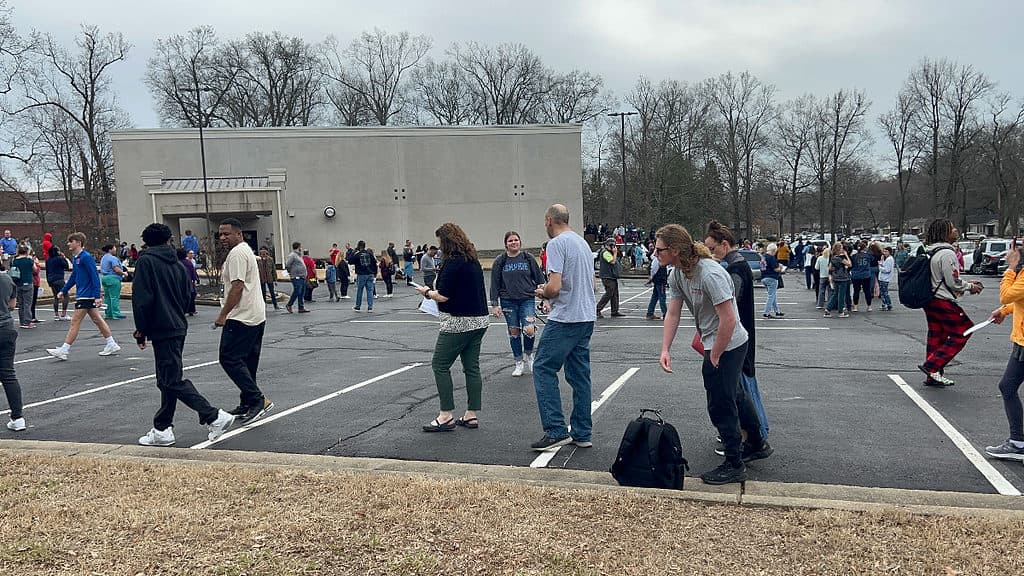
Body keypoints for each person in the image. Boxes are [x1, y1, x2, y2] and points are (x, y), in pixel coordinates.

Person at [657, 224, 768, 485]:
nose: (655, 253)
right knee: (737, 394)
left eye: (659, 249)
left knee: (720, 402)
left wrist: (715, 354)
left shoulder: (710, 274)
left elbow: (728, 320)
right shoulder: (677, 274)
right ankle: (756, 442)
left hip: (729, 342)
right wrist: (665, 349)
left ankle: (734, 463)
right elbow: (673, 313)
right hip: (714, 341)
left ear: (674, 250)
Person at [132, 223, 235, 446]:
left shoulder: (146, 262)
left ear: (147, 241)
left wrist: (141, 330)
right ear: (169, 239)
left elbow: (142, 299)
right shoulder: (179, 264)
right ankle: (162, 428)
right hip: (178, 324)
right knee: (167, 379)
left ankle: (213, 415)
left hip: (161, 327)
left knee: (172, 380)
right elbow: (189, 295)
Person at [530, 204, 597, 451]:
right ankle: (582, 431)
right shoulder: (582, 243)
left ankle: (555, 429)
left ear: (549, 220)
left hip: (566, 317)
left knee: (543, 367)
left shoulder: (556, 244)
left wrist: (543, 291)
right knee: (579, 375)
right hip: (586, 315)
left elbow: (555, 286)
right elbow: (591, 282)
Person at [416, 223, 489, 433]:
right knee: (472, 367)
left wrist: (426, 292)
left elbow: (443, 295)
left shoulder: (451, 263)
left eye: (440, 242)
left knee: (439, 365)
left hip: (457, 322)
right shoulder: (472, 260)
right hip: (480, 321)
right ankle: (471, 414)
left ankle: (446, 415)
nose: (438, 247)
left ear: (445, 242)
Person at [706, 220, 770, 445]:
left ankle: (756, 434)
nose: (711, 254)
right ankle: (753, 433)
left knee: (744, 389)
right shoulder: (738, 265)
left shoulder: (735, 268)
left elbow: (730, 301)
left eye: (712, 249)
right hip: (742, 333)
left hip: (738, 337)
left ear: (724, 244)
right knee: (743, 387)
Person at [215, 218, 274, 424]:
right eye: (220, 234)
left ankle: (258, 400)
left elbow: (237, 286)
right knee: (247, 362)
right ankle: (247, 401)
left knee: (228, 358)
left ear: (239, 234)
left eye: (227, 234)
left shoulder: (238, 253)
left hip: (242, 317)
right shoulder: (245, 250)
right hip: (255, 315)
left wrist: (223, 314)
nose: (222, 237)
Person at [918, 218, 983, 387]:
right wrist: (970, 286)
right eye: (952, 228)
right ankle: (932, 366)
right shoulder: (947, 253)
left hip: (930, 299)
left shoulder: (930, 250)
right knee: (964, 331)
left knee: (936, 335)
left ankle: (933, 375)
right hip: (943, 300)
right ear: (944, 233)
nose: (956, 231)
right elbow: (953, 281)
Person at [46, 232, 121, 360]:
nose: (68, 243)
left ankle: (64, 349)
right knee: (97, 319)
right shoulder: (76, 258)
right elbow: (74, 276)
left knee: (75, 321)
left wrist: (97, 295)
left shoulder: (86, 257)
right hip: (83, 293)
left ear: (78, 243)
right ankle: (111, 343)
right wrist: (64, 290)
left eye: (71, 241)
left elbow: (94, 275)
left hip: (86, 294)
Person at [985, 247, 1024, 461]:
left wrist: (1010, 268)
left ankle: (1018, 443)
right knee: (1007, 386)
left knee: (1008, 386)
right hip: (1021, 341)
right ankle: (1017, 442)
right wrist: (1004, 311)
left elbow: (1007, 294)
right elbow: (1017, 299)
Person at [489, 231, 546, 377]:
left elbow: (539, 279)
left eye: (516, 240)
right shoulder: (500, 261)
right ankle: (518, 362)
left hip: (527, 298)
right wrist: (495, 305)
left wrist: (545, 299)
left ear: (520, 242)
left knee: (529, 330)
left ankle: (528, 354)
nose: (513, 243)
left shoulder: (528, 258)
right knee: (514, 332)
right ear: (506, 244)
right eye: (510, 241)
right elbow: (494, 284)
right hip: (508, 300)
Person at [0, 262, 25, 431]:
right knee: (8, 374)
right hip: (6, 328)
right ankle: (17, 417)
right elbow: (12, 304)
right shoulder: (7, 279)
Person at [596, 238, 625, 318]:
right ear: (606, 245)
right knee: (609, 293)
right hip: (607, 276)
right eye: (611, 245)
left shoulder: (609, 252)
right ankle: (597, 309)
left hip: (611, 276)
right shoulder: (605, 252)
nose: (612, 247)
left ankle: (614, 311)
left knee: (615, 294)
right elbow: (612, 261)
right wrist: (615, 253)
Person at [99, 244, 127, 320]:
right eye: (114, 248)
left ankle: (108, 313)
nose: (115, 249)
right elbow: (116, 269)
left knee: (107, 297)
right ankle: (116, 313)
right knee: (114, 296)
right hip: (113, 278)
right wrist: (124, 273)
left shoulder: (103, 258)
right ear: (110, 250)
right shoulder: (113, 258)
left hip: (104, 278)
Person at [348, 240, 377, 312]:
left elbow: (350, 261)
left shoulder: (358, 255)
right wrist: (374, 273)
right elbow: (374, 263)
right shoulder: (369, 254)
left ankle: (358, 306)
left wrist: (353, 252)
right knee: (370, 291)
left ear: (358, 246)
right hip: (370, 274)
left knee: (360, 290)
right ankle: (370, 307)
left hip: (361, 274)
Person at [9, 247, 34, 328]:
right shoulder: (29, 260)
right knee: (27, 303)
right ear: (26, 252)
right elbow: (35, 269)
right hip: (28, 282)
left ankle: (22, 321)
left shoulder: (14, 261)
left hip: (18, 283)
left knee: (21, 303)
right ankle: (27, 321)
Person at [45, 247, 70, 320]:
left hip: (51, 279)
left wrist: (48, 281)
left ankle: (56, 314)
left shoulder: (48, 260)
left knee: (56, 297)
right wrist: (64, 257)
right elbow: (66, 266)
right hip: (59, 278)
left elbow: (47, 271)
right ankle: (63, 313)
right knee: (65, 296)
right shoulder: (59, 258)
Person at [284, 242, 308, 314]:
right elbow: (288, 264)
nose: (301, 248)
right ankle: (289, 304)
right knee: (297, 290)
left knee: (302, 292)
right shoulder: (292, 255)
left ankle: (301, 307)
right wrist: (290, 272)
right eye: (300, 247)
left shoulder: (299, 255)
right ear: (298, 247)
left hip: (302, 276)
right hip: (296, 276)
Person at [849, 242, 874, 313]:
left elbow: (851, 265)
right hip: (866, 275)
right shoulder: (868, 256)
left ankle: (855, 306)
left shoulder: (854, 256)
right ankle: (869, 306)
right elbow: (872, 260)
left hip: (856, 275)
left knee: (856, 291)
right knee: (867, 291)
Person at [760, 243, 783, 319]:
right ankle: (766, 312)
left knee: (772, 295)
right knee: (771, 296)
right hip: (772, 278)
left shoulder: (763, 257)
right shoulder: (771, 258)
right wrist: (780, 268)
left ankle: (777, 311)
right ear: (774, 250)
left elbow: (762, 267)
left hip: (764, 277)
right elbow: (776, 269)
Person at [645, 248, 668, 320]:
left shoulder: (658, 259)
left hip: (659, 280)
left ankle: (650, 313)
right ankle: (665, 314)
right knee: (662, 297)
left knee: (655, 297)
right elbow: (654, 269)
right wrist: (651, 276)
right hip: (660, 280)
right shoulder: (657, 259)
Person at [877, 247, 895, 311]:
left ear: (890, 252)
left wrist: (880, 267)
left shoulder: (889, 259)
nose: (884, 253)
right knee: (883, 292)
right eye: (884, 251)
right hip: (882, 278)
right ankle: (885, 304)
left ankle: (887, 304)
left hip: (885, 278)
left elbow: (887, 270)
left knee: (884, 292)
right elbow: (884, 265)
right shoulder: (886, 259)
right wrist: (881, 261)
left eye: (886, 251)